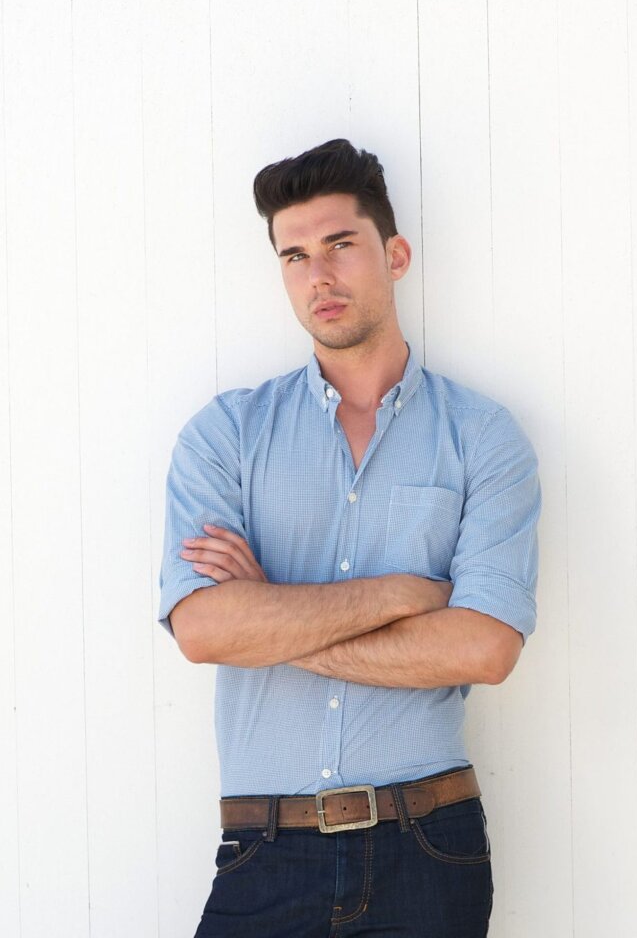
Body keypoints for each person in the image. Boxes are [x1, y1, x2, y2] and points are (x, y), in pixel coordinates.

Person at [158, 138, 541, 938]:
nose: (318, 276)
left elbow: (483, 649)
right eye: (294, 256)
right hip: (264, 849)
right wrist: (402, 596)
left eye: (340, 245)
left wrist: (267, 617)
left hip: (428, 847)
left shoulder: (480, 436)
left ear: (394, 255)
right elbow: (203, 631)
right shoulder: (227, 435)